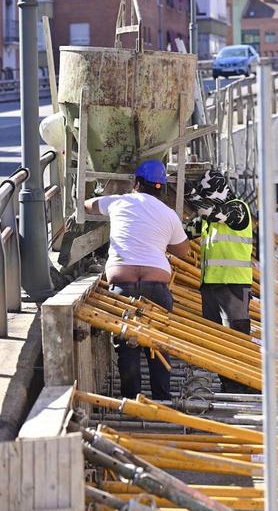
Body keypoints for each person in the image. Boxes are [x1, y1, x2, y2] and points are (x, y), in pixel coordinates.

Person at [84, 159, 189, 400]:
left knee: (127, 342)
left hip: (123, 285)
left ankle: (131, 402)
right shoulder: (169, 214)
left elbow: (89, 205)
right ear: (161, 187)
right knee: (159, 344)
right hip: (157, 286)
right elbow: (183, 251)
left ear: (137, 183)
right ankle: (162, 399)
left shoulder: (120, 201)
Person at [185, 170, 254, 393]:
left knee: (235, 338)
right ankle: (228, 382)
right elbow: (183, 232)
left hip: (233, 285)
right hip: (212, 286)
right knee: (216, 339)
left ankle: (244, 384)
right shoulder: (208, 220)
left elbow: (212, 212)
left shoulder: (237, 208)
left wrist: (189, 193)